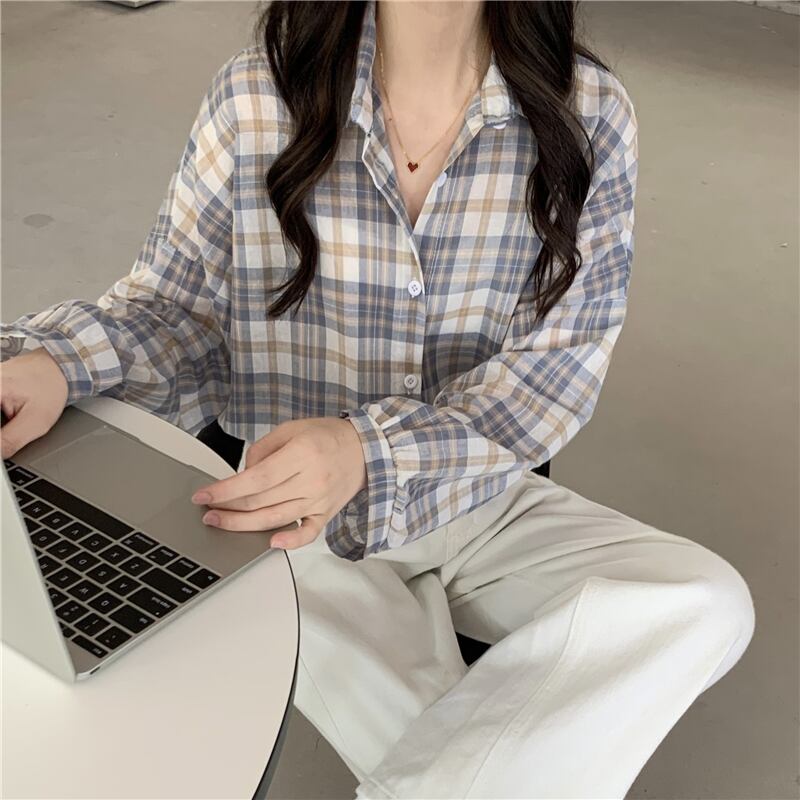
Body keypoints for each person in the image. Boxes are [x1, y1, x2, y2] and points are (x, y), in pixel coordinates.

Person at [0, 1, 755, 796]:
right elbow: (178, 310)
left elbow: (555, 374)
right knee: (464, 750)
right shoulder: (258, 96)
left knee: (706, 602)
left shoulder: (589, 115)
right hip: (295, 526)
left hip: (476, 497)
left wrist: (366, 451)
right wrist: (58, 365)